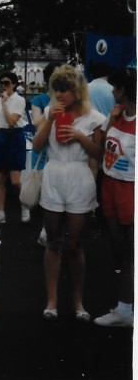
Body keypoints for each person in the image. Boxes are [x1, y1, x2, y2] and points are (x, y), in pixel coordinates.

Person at [32, 65, 105, 322]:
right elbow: (37, 147)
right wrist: (50, 119)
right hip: (54, 176)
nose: (60, 94)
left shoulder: (93, 117)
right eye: (57, 89)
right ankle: (51, 300)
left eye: (65, 89)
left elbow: (99, 155)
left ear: (77, 91)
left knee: (75, 244)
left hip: (79, 177)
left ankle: (78, 302)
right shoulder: (49, 112)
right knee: (52, 241)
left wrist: (79, 137)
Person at [93, 68, 135, 328]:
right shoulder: (117, 116)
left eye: (114, 88)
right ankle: (125, 307)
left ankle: (125, 309)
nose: (110, 92)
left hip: (130, 191)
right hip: (110, 187)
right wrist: (111, 120)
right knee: (120, 254)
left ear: (122, 90)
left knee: (130, 255)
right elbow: (104, 148)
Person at [0, 71, 28, 224]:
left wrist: (4, 102)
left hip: (15, 137)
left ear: (14, 84)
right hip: (2, 138)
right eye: (1, 83)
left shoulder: (19, 100)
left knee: (15, 181)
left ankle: (25, 206)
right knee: (0, 179)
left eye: (7, 83)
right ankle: (1, 212)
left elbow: (11, 121)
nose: (3, 86)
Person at [29, 62, 61, 246]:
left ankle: (46, 230)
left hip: (61, 153)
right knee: (45, 193)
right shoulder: (39, 100)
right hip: (42, 152)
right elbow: (37, 124)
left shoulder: (70, 101)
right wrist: (52, 108)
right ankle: (45, 228)